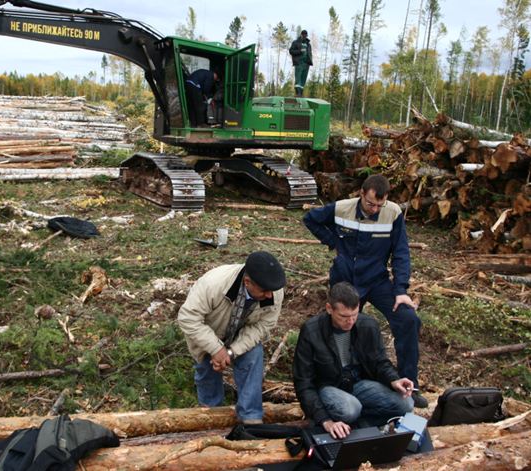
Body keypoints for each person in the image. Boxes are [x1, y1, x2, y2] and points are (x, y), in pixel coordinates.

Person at [303, 174, 428, 408]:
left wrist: (401, 290)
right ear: (361, 193)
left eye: (379, 205)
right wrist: (333, 242)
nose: (374, 209)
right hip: (345, 280)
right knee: (343, 326)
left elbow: (401, 252)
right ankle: (339, 380)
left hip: (376, 279)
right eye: (371, 203)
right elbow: (310, 218)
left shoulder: (393, 213)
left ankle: (411, 385)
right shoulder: (342, 208)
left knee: (408, 319)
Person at [293, 282, 414, 439]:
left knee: (407, 403)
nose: (350, 321)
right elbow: (303, 382)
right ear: (329, 309)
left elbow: (379, 362)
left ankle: (360, 425)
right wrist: (325, 420)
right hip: (328, 387)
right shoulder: (311, 330)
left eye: (354, 315)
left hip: (358, 384)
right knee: (350, 409)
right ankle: (350, 421)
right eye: (343, 316)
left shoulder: (368, 325)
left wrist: (394, 380)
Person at [178, 251, 286, 424]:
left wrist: (232, 351)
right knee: (207, 369)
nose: (269, 295)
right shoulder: (214, 284)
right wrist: (216, 349)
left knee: (253, 356)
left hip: (242, 334)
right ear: (247, 282)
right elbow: (188, 318)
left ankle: (250, 417)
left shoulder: (273, 291)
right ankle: (211, 416)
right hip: (209, 332)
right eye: (264, 291)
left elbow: (262, 326)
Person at [289, 30, 313, 97]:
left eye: (306, 35)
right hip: (299, 63)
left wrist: (310, 60)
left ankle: (301, 93)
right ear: (301, 35)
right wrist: (299, 51)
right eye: (303, 35)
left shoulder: (308, 44)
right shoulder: (296, 42)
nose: (305, 36)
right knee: (298, 78)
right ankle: (298, 93)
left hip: (306, 63)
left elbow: (310, 53)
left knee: (303, 78)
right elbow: (291, 51)